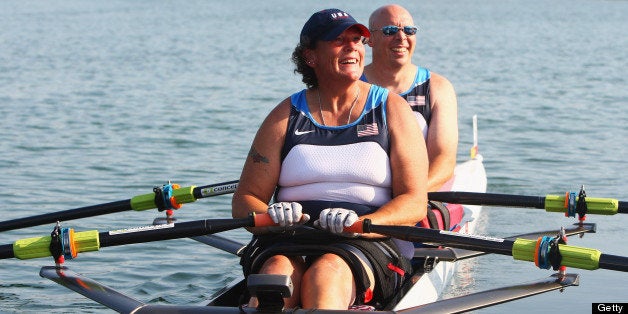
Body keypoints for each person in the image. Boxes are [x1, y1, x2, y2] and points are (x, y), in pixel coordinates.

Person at [232, 8, 428, 310]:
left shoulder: (392, 109)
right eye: (339, 40)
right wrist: (271, 218)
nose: (352, 47)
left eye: (357, 40)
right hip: (289, 237)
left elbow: (415, 201)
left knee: (326, 275)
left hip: (368, 240)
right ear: (311, 57)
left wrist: (363, 223)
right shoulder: (285, 115)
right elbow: (245, 200)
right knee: (275, 276)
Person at [363, 4, 458, 193]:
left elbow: (443, 162)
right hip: (364, 194)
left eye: (409, 30)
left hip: (419, 192)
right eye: (390, 31)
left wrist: (407, 197)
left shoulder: (438, 88)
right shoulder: (350, 85)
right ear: (370, 39)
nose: (401, 38)